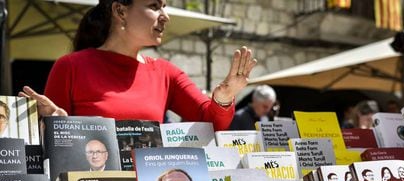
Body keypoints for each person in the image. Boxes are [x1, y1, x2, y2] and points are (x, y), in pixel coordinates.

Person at [19, 0, 257, 131]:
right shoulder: (70, 67)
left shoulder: (167, 73)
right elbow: (50, 149)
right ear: (120, 11)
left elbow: (212, 123)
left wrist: (225, 95)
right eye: (155, 6)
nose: (166, 15)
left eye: (164, 6)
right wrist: (56, 124)